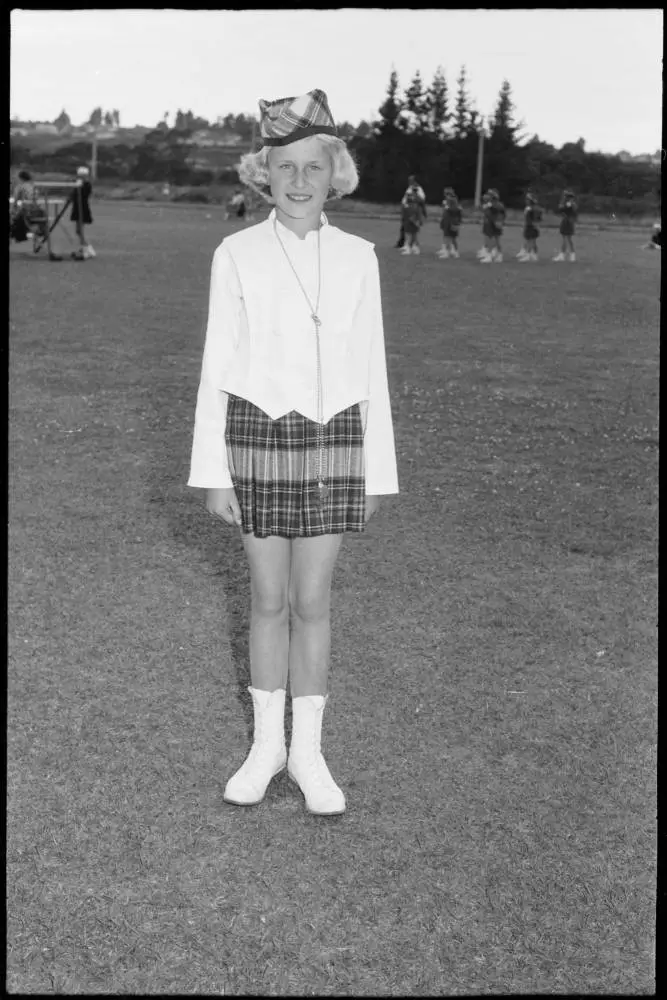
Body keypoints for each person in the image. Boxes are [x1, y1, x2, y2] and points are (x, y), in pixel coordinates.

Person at [188, 88, 399, 817]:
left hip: (336, 435)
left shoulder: (358, 257)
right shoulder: (235, 252)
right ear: (263, 174)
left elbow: (371, 365)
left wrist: (378, 468)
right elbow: (218, 360)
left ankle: (308, 753)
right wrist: (214, 471)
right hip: (254, 434)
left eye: (314, 167)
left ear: (333, 173)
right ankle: (265, 748)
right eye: (285, 168)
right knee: (268, 598)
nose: (300, 181)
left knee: (313, 601)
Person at [70, 165, 95, 260]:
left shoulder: (87, 185)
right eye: (79, 175)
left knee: (80, 231)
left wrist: (78, 186)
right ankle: (85, 248)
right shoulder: (78, 184)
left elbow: (83, 195)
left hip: (82, 208)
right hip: (77, 208)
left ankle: (88, 249)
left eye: (82, 176)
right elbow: (74, 195)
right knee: (78, 231)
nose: (80, 177)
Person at [395, 175, 425, 248]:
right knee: (406, 227)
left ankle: (411, 244)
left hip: (413, 211)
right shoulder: (410, 188)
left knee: (412, 229)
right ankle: (406, 243)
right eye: (409, 180)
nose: (409, 181)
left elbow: (421, 199)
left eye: (411, 180)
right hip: (406, 211)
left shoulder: (417, 189)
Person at [479, 188, 505, 263]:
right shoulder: (491, 204)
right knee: (495, 239)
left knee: (491, 239)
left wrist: (499, 222)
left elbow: (499, 214)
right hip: (491, 222)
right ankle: (498, 255)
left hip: (493, 223)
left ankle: (490, 255)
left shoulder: (496, 205)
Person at [437, 187, 463, 259]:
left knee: (448, 237)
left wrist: (448, 207)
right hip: (448, 221)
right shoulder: (450, 201)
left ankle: (448, 252)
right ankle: (453, 251)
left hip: (451, 221)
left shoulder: (452, 201)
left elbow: (455, 210)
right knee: (450, 237)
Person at [400, 186, 427, 254]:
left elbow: (409, 213)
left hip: (412, 221)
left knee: (410, 234)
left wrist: (414, 220)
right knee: (413, 235)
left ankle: (410, 248)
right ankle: (414, 248)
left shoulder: (412, 205)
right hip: (414, 220)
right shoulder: (417, 203)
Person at [518, 193, 543, 262]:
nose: (526, 201)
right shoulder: (535, 208)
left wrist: (534, 225)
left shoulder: (532, 209)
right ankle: (534, 255)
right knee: (532, 241)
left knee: (530, 240)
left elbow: (534, 219)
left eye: (528, 199)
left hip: (531, 226)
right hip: (532, 226)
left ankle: (528, 255)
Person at [553, 188, 577, 261]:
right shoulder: (571, 204)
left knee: (566, 239)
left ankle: (562, 255)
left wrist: (562, 202)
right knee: (568, 239)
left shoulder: (569, 204)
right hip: (568, 221)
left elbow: (561, 208)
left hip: (567, 221)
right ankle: (571, 255)